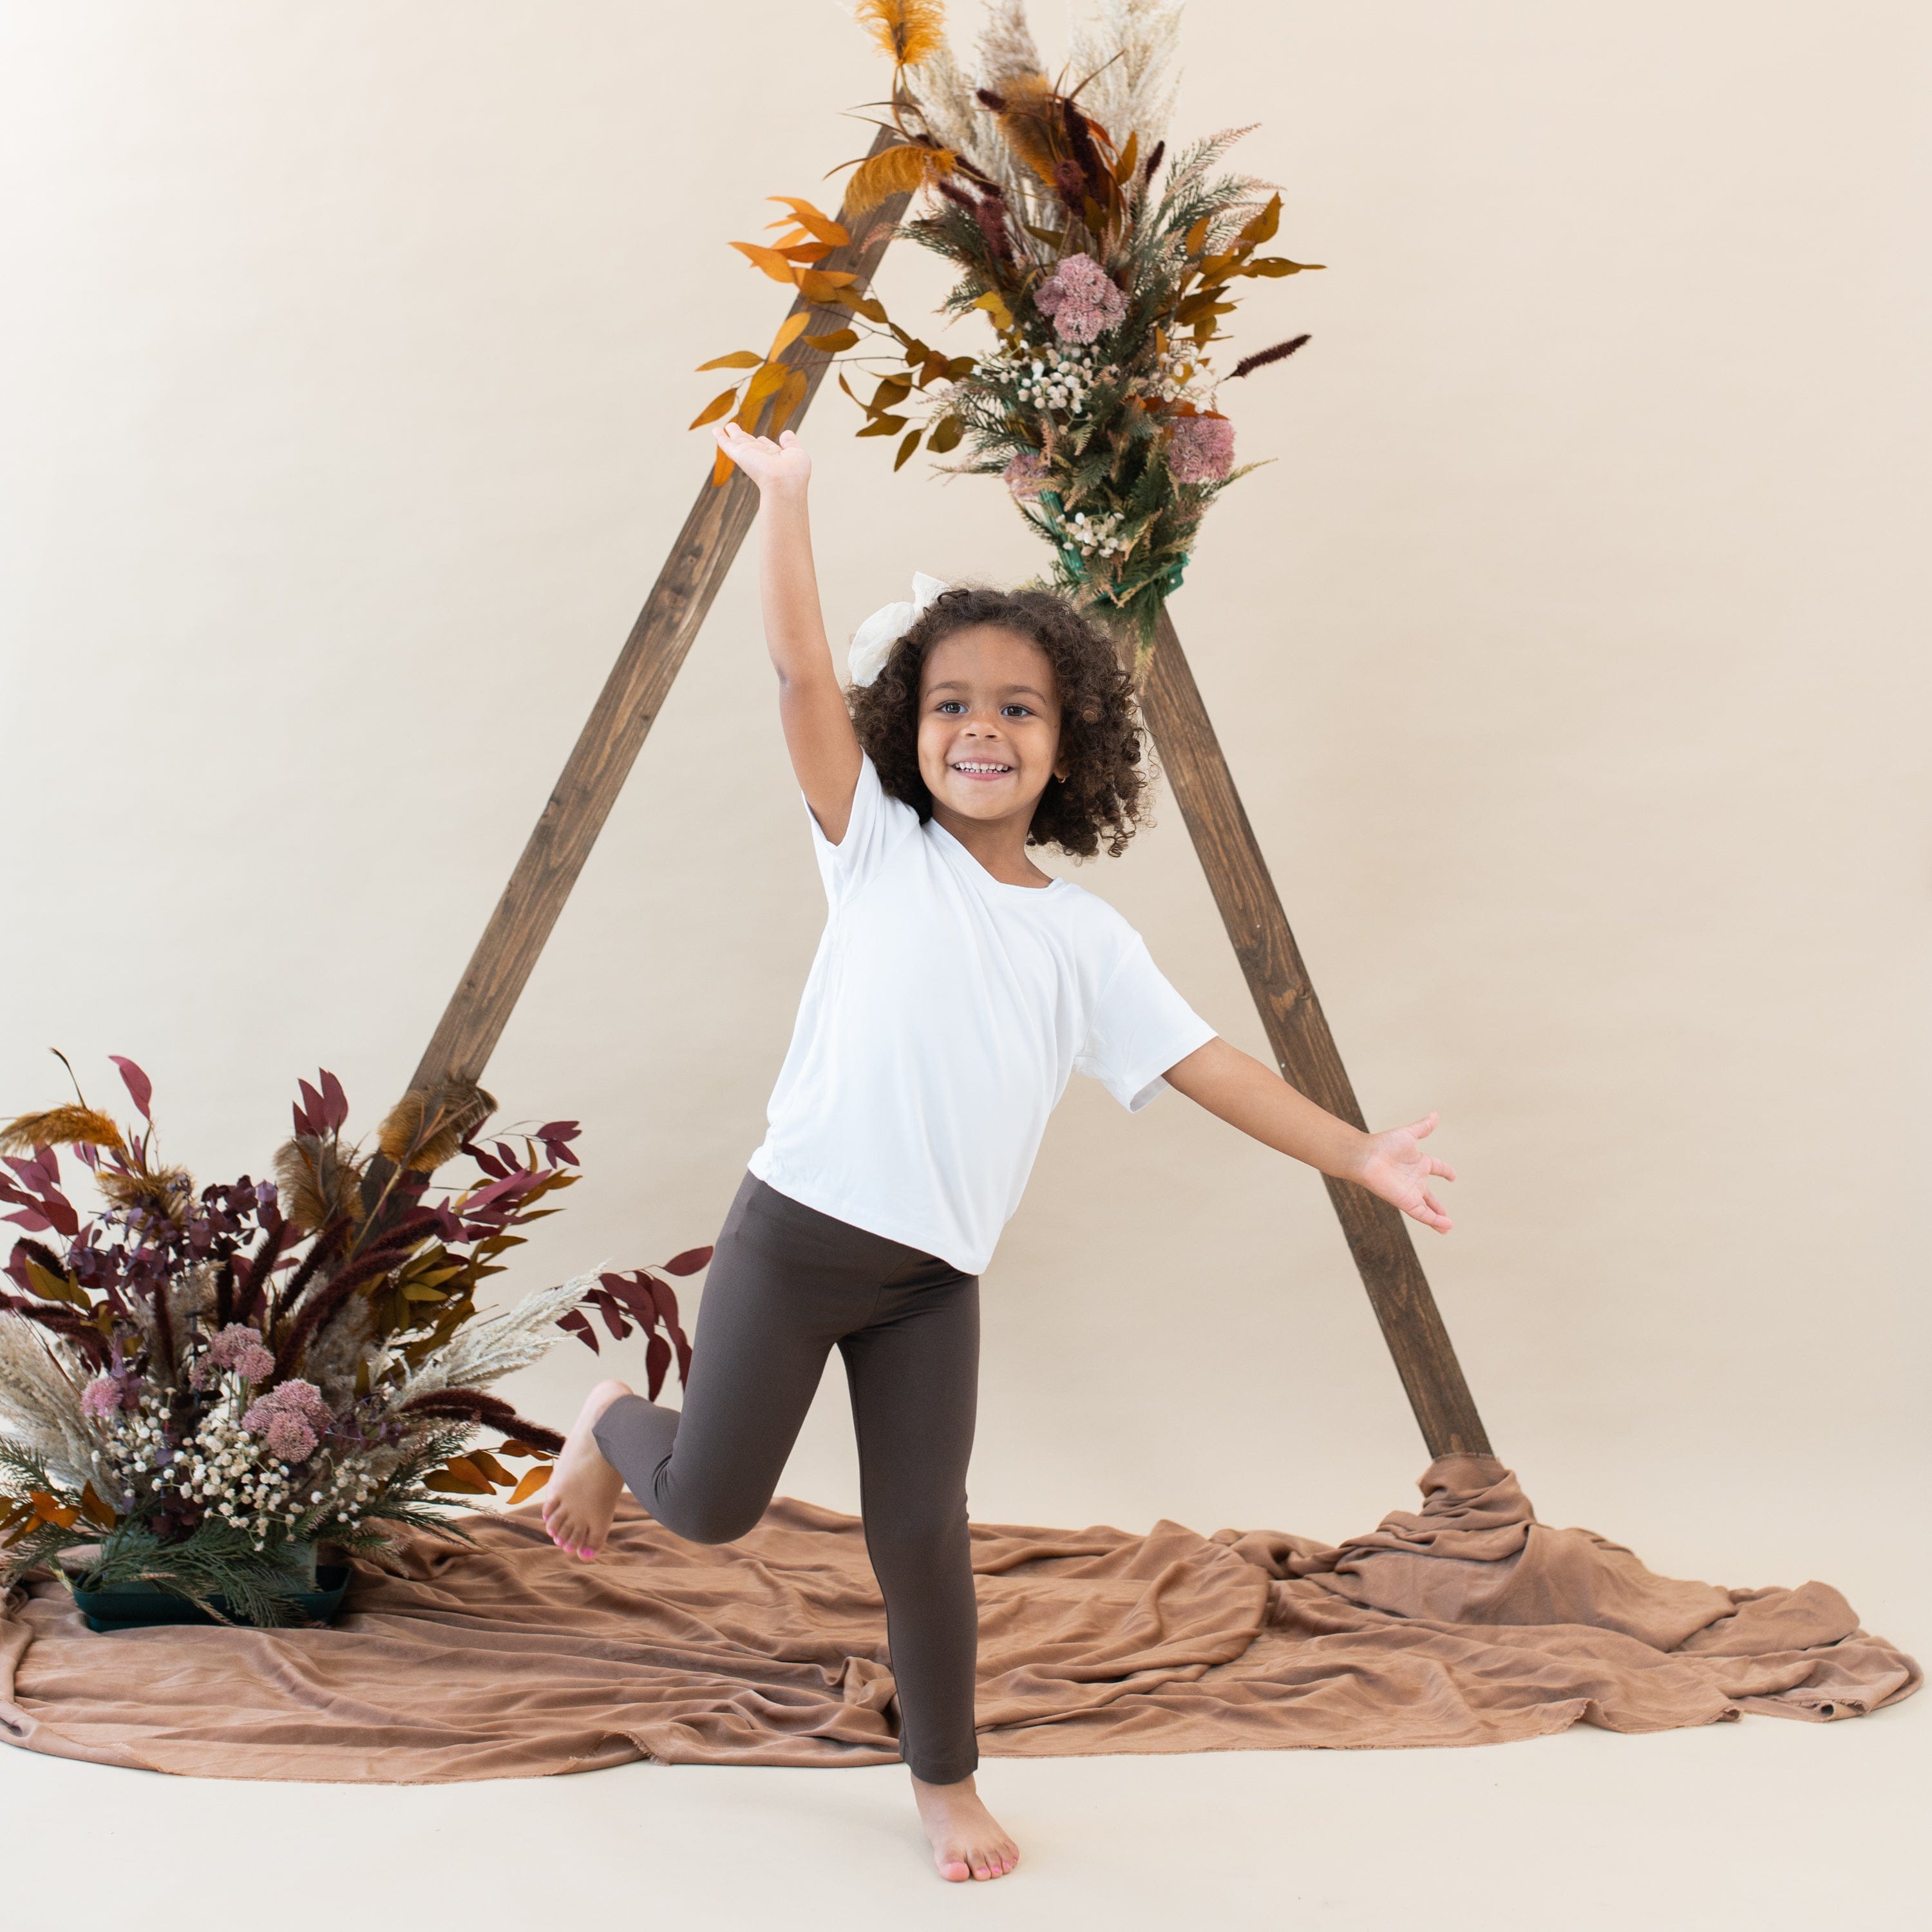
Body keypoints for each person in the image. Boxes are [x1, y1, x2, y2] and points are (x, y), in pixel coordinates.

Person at [539, 421, 1457, 1883]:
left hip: (929, 1284)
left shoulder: (1085, 941)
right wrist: (788, 503)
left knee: (925, 1537)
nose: (983, 728)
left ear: (1068, 745)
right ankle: (611, 1425)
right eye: (951, 702)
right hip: (795, 1237)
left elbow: (1210, 1063)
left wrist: (1359, 1156)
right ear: (906, 727)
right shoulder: (874, 849)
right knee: (708, 1507)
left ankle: (945, 1779)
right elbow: (796, 676)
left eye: (1019, 708)